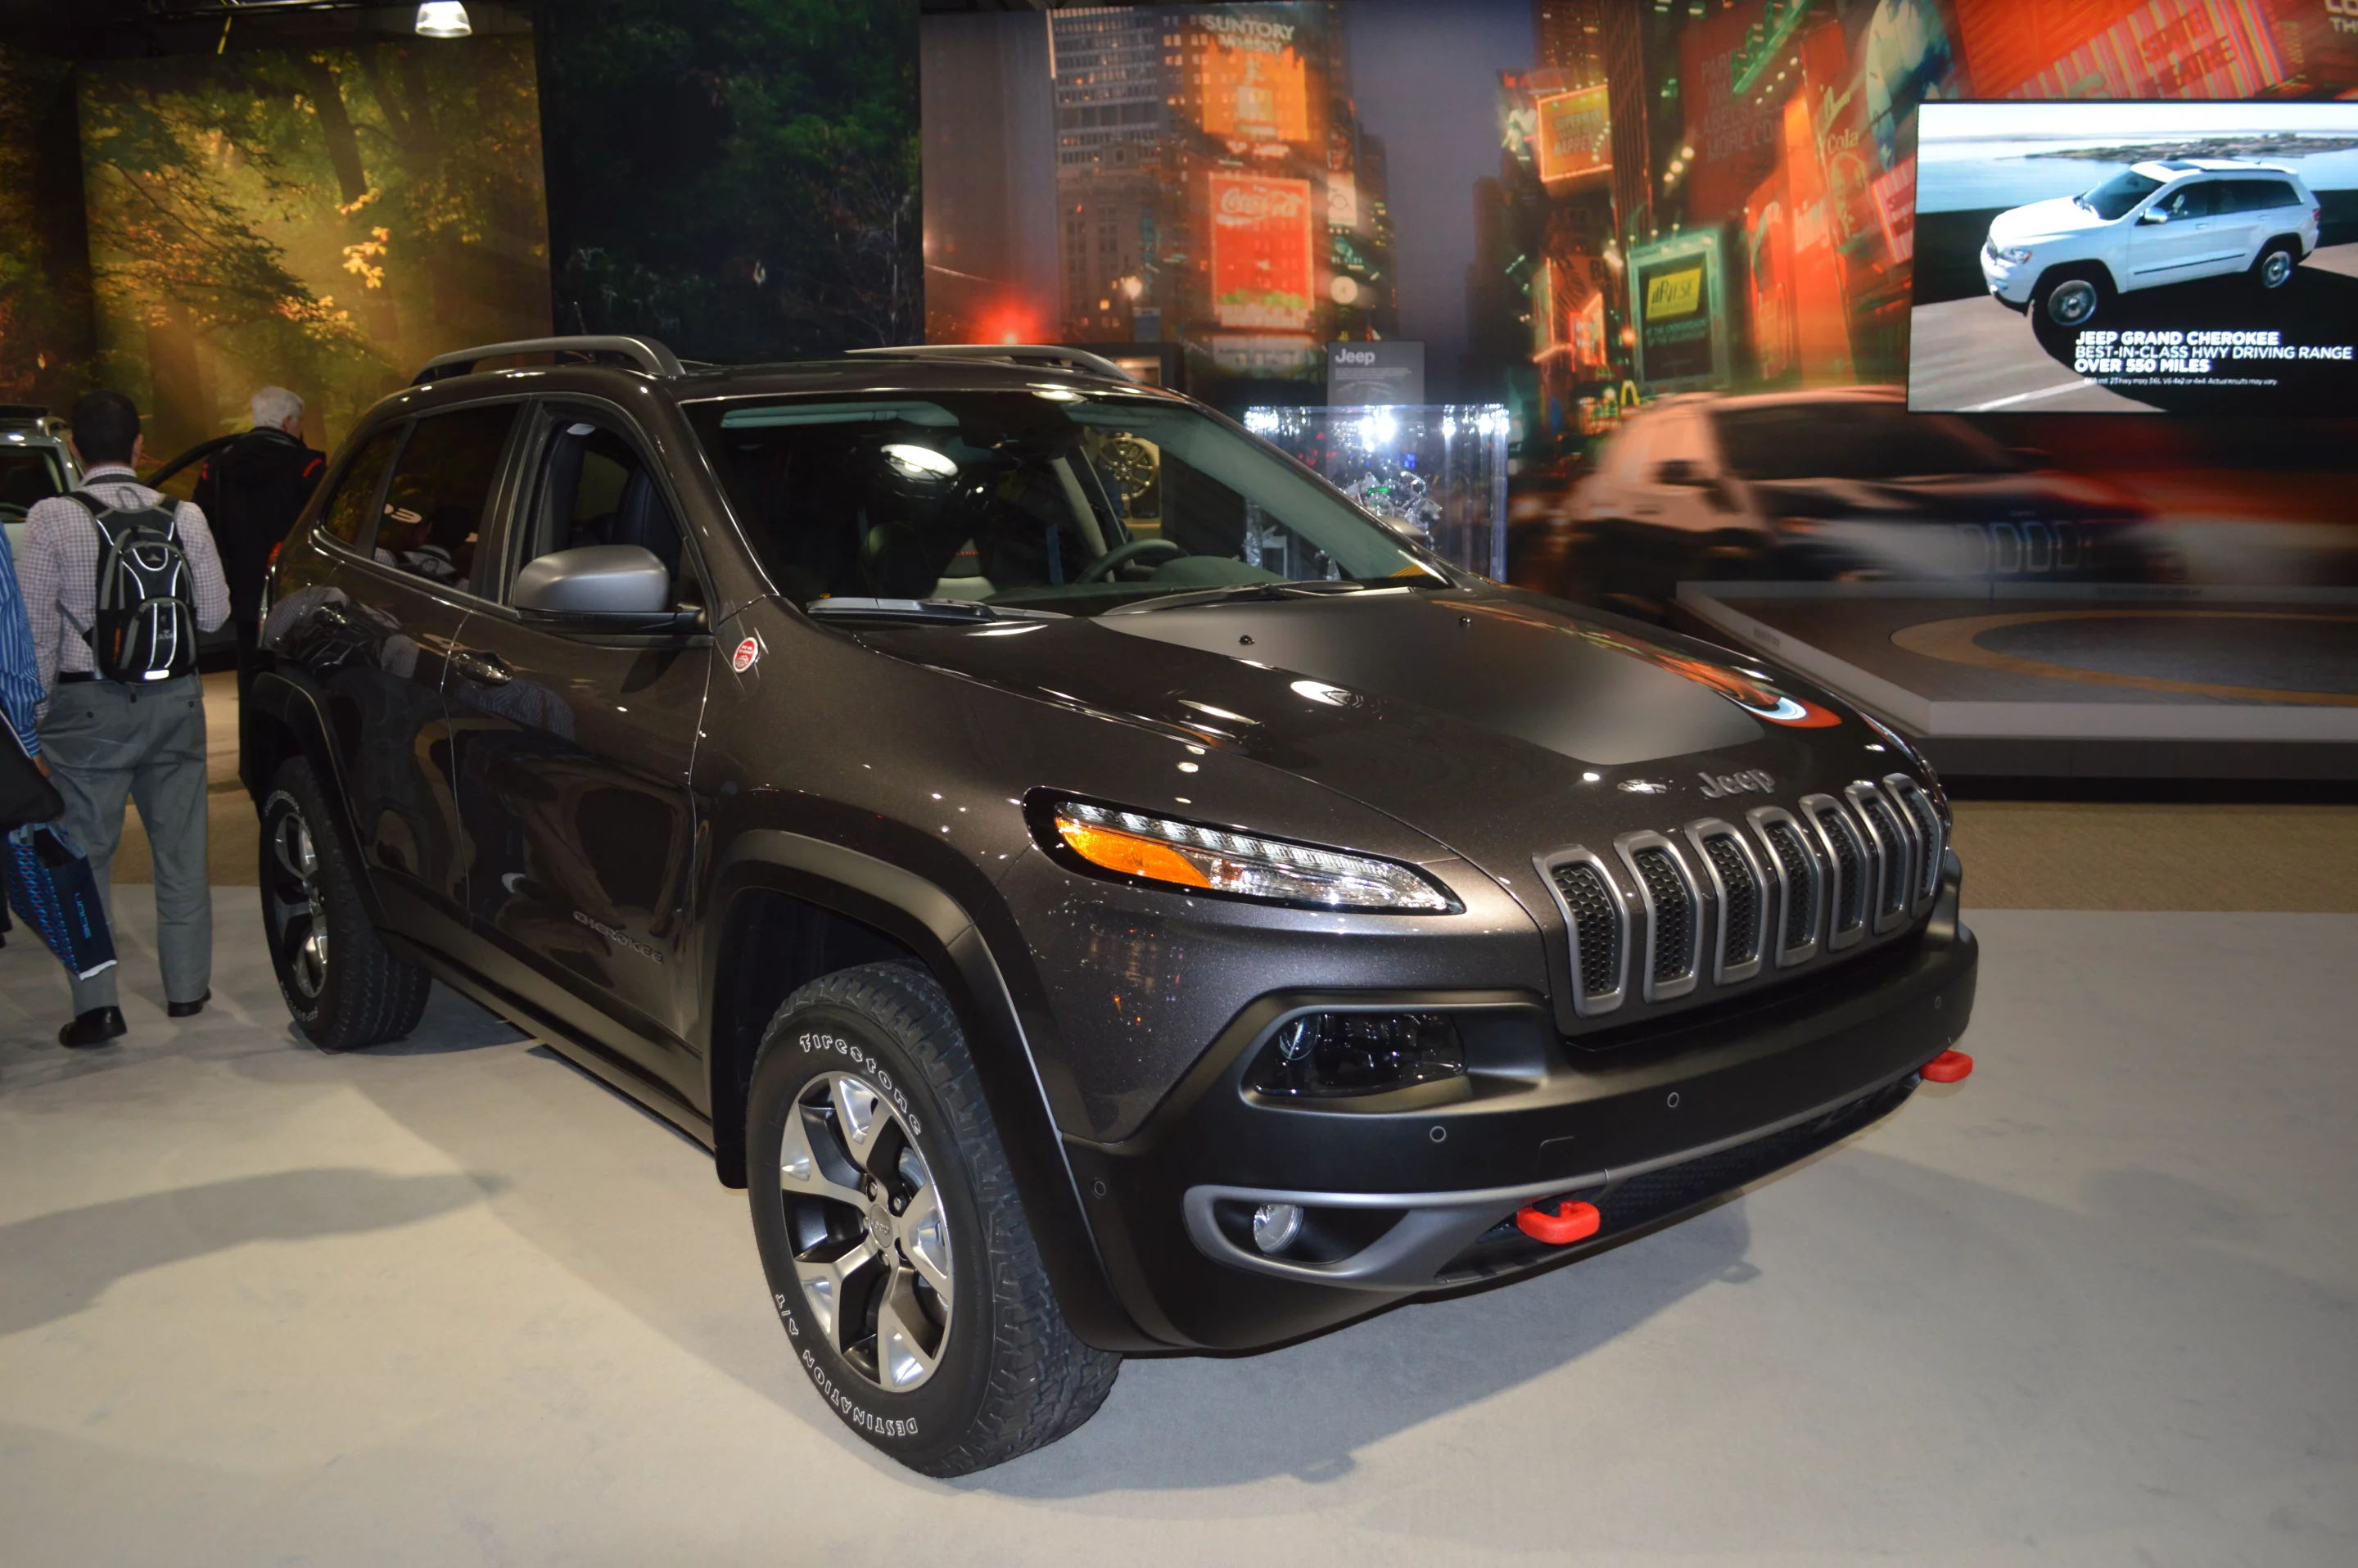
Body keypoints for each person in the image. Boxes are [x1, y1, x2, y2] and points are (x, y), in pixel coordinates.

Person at [20, 388, 229, 1046]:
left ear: (75, 448)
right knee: (181, 853)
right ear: (140, 446)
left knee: (84, 859)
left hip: (87, 710)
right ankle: (188, 991)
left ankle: (97, 1007)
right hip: (178, 703)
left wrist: (37, 723)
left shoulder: (52, 517)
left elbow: (34, 635)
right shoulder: (185, 515)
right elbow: (217, 614)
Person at [192, 386, 323, 703]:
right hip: (293, 591)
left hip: (241, 592)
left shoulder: (217, 465)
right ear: (288, 421)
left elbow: (200, 523)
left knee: (248, 677)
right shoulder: (309, 467)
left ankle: (253, 747)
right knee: (293, 681)